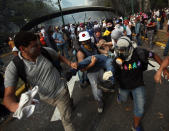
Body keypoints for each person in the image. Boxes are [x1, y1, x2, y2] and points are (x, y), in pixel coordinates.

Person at [3, 31, 77, 131]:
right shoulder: (14, 67)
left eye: (39, 44)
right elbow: (8, 96)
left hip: (61, 91)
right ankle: (69, 103)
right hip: (45, 97)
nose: (39, 47)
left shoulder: (44, 51)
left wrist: (70, 63)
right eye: (35, 46)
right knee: (67, 106)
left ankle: (68, 106)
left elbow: (58, 56)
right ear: (22, 49)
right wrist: (15, 106)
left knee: (66, 120)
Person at [111, 36, 167, 131]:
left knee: (140, 107)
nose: (120, 53)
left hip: (138, 84)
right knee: (123, 98)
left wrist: (164, 68)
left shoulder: (139, 53)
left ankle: (136, 125)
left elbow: (154, 55)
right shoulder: (116, 59)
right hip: (124, 85)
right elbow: (113, 71)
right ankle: (121, 96)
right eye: (119, 50)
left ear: (130, 47)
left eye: (123, 50)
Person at [76, 31, 105, 113]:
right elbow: (82, 69)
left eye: (87, 40)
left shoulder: (92, 45)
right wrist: (91, 64)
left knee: (105, 82)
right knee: (96, 90)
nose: (86, 42)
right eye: (84, 41)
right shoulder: (80, 53)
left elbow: (99, 51)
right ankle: (99, 103)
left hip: (100, 68)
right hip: (92, 73)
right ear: (81, 42)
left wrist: (107, 53)